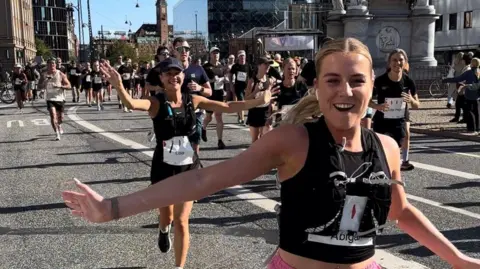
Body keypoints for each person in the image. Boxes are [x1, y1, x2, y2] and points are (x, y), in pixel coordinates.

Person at [62, 38, 480, 269]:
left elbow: (401, 211)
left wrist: (457, 258)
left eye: (356, 81)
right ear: (318, 88)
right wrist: (111, 208)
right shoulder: (293, 140)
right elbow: (202, 179)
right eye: (333, 80)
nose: (345, 92)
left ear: (373, 86)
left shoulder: (386, 147)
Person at [68, 58, 273, 269]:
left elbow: (228, 106)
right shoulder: (156, 103)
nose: (173, 77)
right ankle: (163, 230)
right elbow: (132, 104)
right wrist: (119, 85)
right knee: (166, 216)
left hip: (188, 168)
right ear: (162, 78)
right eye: (168, 74)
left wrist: (260, 100)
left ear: (183, 76)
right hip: (163, 169)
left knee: (182, 220)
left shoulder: (193, 100)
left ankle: (179, 267)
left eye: (177, 73)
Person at [370, 49, 419, 171]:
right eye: (394, 60)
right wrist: (378, 106)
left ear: (405, 62)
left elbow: (417, 105)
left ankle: (402, 164)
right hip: (382, 120)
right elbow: (367, 100)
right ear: (389, 63)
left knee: (396, 147)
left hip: (399, 119)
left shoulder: (408, 81)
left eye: (401, 60)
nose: (398, 63)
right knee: (380, 147)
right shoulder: (380, 81)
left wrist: (411, 101)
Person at [38, 58, 71, 140]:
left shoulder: (60, 74)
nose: (51, 65)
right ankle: (57, 133)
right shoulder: (43, 75)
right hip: (50, 98)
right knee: (53, 115)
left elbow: (69, 86)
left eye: (53, 64)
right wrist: (44, 83)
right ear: (47, 65)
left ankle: (59, 125)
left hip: (60, 98)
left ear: (55, 65)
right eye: (49, 64)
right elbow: (39, 86)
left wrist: (60, 86)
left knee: (61, 118)